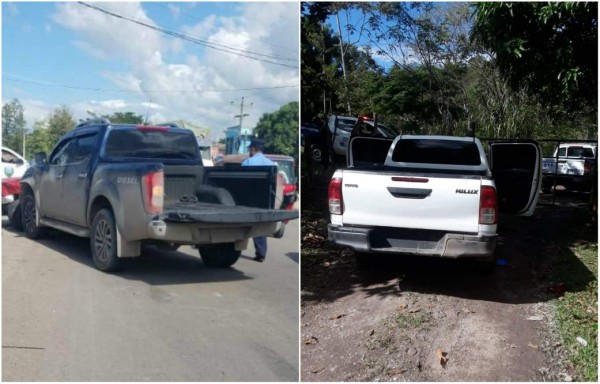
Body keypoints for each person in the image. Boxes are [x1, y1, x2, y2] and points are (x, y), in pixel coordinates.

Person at [242, 138, 274, 262]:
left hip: (250, 198)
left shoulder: (248, 162)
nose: (249, 150)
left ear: (253, 149)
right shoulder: (271, 163)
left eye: (250, 148)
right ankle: (261, 253)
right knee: (260, 225)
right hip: (265, 199)